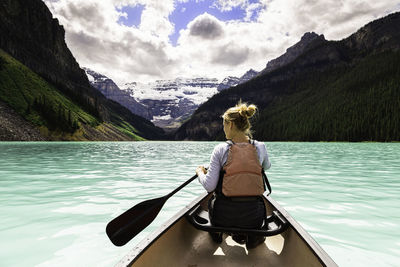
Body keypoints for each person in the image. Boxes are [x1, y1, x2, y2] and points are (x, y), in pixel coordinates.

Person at [195, 101, 271, 249]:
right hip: (254, 218)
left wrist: (200, 172)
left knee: (213, 202)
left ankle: (218, 233)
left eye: (224, 125)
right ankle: (251, 235)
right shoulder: (260, 146)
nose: (224, 130)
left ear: (230, 124)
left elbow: (209, 186)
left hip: (223, 217)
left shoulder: (220, 149)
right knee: (253, 212)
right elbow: (266, 167)